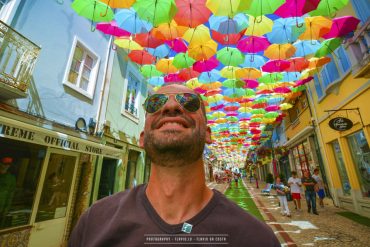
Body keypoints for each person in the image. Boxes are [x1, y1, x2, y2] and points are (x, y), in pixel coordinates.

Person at [69, 84, 280, 246]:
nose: (171, 106)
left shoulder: (256, 238)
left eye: (189, 102)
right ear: (142, 138)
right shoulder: (94, 223)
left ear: (208, 134)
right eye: (155, 104)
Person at [0, 157, 16, 227]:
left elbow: (10, 195)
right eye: (5, 164)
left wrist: (6, 210)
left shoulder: (11, 178)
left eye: (8, 164)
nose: (6, 166)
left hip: (1, 209)